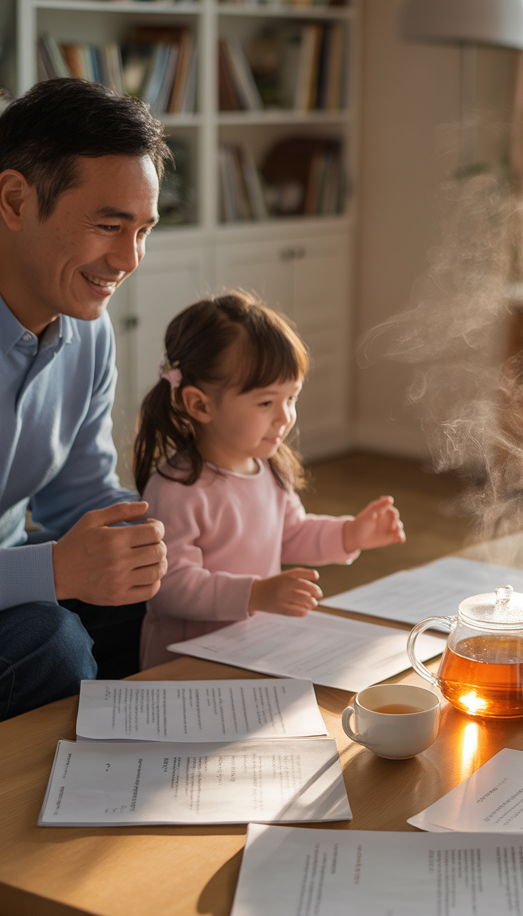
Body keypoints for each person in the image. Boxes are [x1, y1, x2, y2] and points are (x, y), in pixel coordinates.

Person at [0, 78, 169, 724]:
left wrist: (172, 538)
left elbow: (79, 496)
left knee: (159, 594)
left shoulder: (89, 333)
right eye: (108, 226)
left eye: (144, 230)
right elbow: (57, 568)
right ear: (16, 199)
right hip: (24, 591)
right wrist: (54, 573)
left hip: (18, 564)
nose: (128, 259)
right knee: (52, 643)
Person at [133, 290, 406, 669]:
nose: (285, 417)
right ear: (199, 404)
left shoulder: (268, 468)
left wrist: (350, 535)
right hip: (187, 665)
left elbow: (290, 533)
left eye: (291, 398)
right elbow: (170, 589)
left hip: (254, 648)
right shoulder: (176, 489)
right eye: (266, 403)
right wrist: (256, 594)